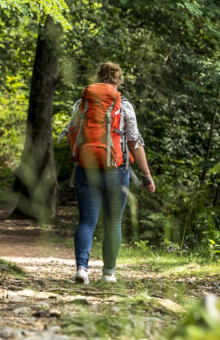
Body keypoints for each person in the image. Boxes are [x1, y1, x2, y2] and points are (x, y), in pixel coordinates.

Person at [62, 62, 155, 284]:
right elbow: (135, 142)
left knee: (87, 222)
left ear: (98, 77)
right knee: (113, 223)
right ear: (119, 79)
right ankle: (108, 273)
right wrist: (146, 175)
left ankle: (82, 269)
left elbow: (72, 133)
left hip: (87, 169)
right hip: (117, 170)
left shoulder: (81, 104)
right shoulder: (124, 107)